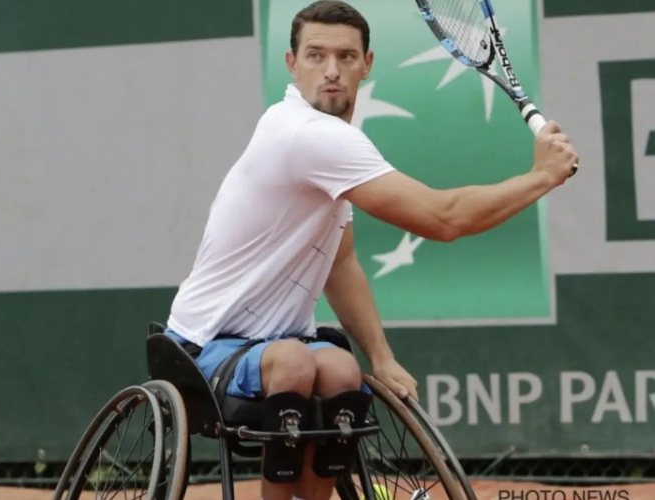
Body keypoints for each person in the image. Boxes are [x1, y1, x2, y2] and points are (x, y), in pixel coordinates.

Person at [163, 1, 579, 500]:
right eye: (316, 56)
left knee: (341, 369)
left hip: (281, 342)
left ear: (368, 64)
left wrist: (380, 358)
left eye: (346, 56)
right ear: (292, 65)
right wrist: (540, 178)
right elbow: (443, 218)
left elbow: (339, 262)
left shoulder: (336, 144)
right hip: (203, 347)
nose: (332, 71)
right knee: (297, 361)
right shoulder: (308, 137)